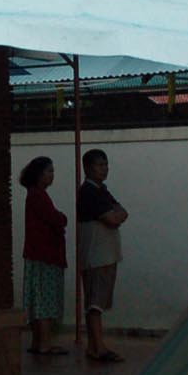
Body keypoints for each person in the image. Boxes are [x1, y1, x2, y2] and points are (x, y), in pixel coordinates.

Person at [75, 148, 127, 363]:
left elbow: (122, 210)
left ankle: (93, 346)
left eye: (105, 164)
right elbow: (114, 218)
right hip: (97, 254)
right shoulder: (89, 191)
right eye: (99, 165)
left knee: (97, 301)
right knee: (95, 303)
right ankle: (99, 347)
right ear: (87, 168)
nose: (104, 169)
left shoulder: (101, 190)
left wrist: (118, 213)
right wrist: (117, 214)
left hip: (104, 254)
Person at [18, 156, 68, 356]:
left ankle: (38, 341)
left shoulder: (34, 195)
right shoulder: (39, 197)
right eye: (49, 171)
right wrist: (62, 218)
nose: (52, 175)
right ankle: (45, 343)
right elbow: (55, 218)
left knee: (37, 300)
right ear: (39, 174)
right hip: (46, 256)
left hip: (37, 254)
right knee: (45, 302)